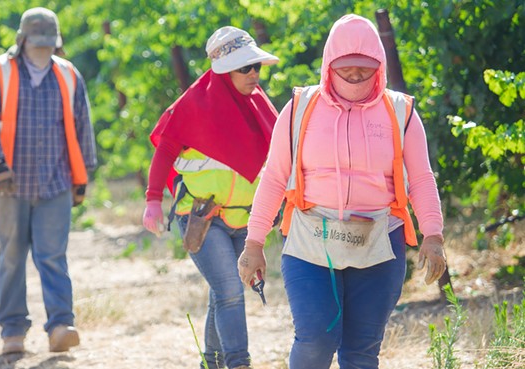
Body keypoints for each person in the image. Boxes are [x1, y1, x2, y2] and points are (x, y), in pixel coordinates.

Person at [238, 14, 446, 369]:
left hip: (379, 242)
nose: (353, 76)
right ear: (328, 65)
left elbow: (422, 178)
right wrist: (254, 242)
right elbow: (274, 177)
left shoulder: (401, 112)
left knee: (361, 351)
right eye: (345, 68)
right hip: (310, 243)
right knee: (316, 340)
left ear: (379, 67)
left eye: (364, 70)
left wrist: (433, 234)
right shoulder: (300, 109)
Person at [142, 26, 279, 369]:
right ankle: (238, 363)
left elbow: (281, 157)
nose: (253, 74)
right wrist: (152, 200)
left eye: (256, 66)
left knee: (224, 293)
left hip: (243, 220)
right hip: (201, 219)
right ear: (222, 70)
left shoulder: (259, 102)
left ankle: (212, 362)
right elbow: (165, 152)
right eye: (244, 68)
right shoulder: (192, 104)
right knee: (231, 290)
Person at [0, 7, 97, 355]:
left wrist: (82, 177)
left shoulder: (68, 74)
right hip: (8, 184)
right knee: (12, 255)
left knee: (53, 256)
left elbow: (82, 124)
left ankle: (60, 325)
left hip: (55, 183)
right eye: (36, 43)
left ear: (56, 43)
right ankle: (12, 331)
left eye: (48, 44)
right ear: (22, 40)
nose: (42, 49)